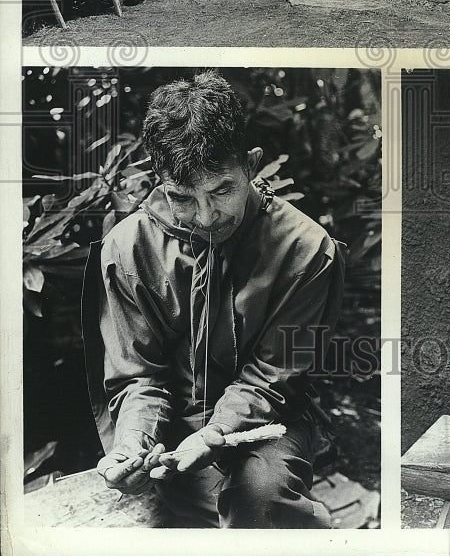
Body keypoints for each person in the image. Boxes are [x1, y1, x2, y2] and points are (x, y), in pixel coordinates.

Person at [83, 70, 345, 528]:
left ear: (252, 165)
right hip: (171, 424)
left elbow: (272, 378)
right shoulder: (125, 248)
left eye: (222, 190)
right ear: (159, 180)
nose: (205, 216)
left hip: (270, 419)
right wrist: (134, 443)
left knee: (258, 498)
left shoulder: (306, 248)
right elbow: (137, 375)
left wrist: (218, 431)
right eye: (183, 197)